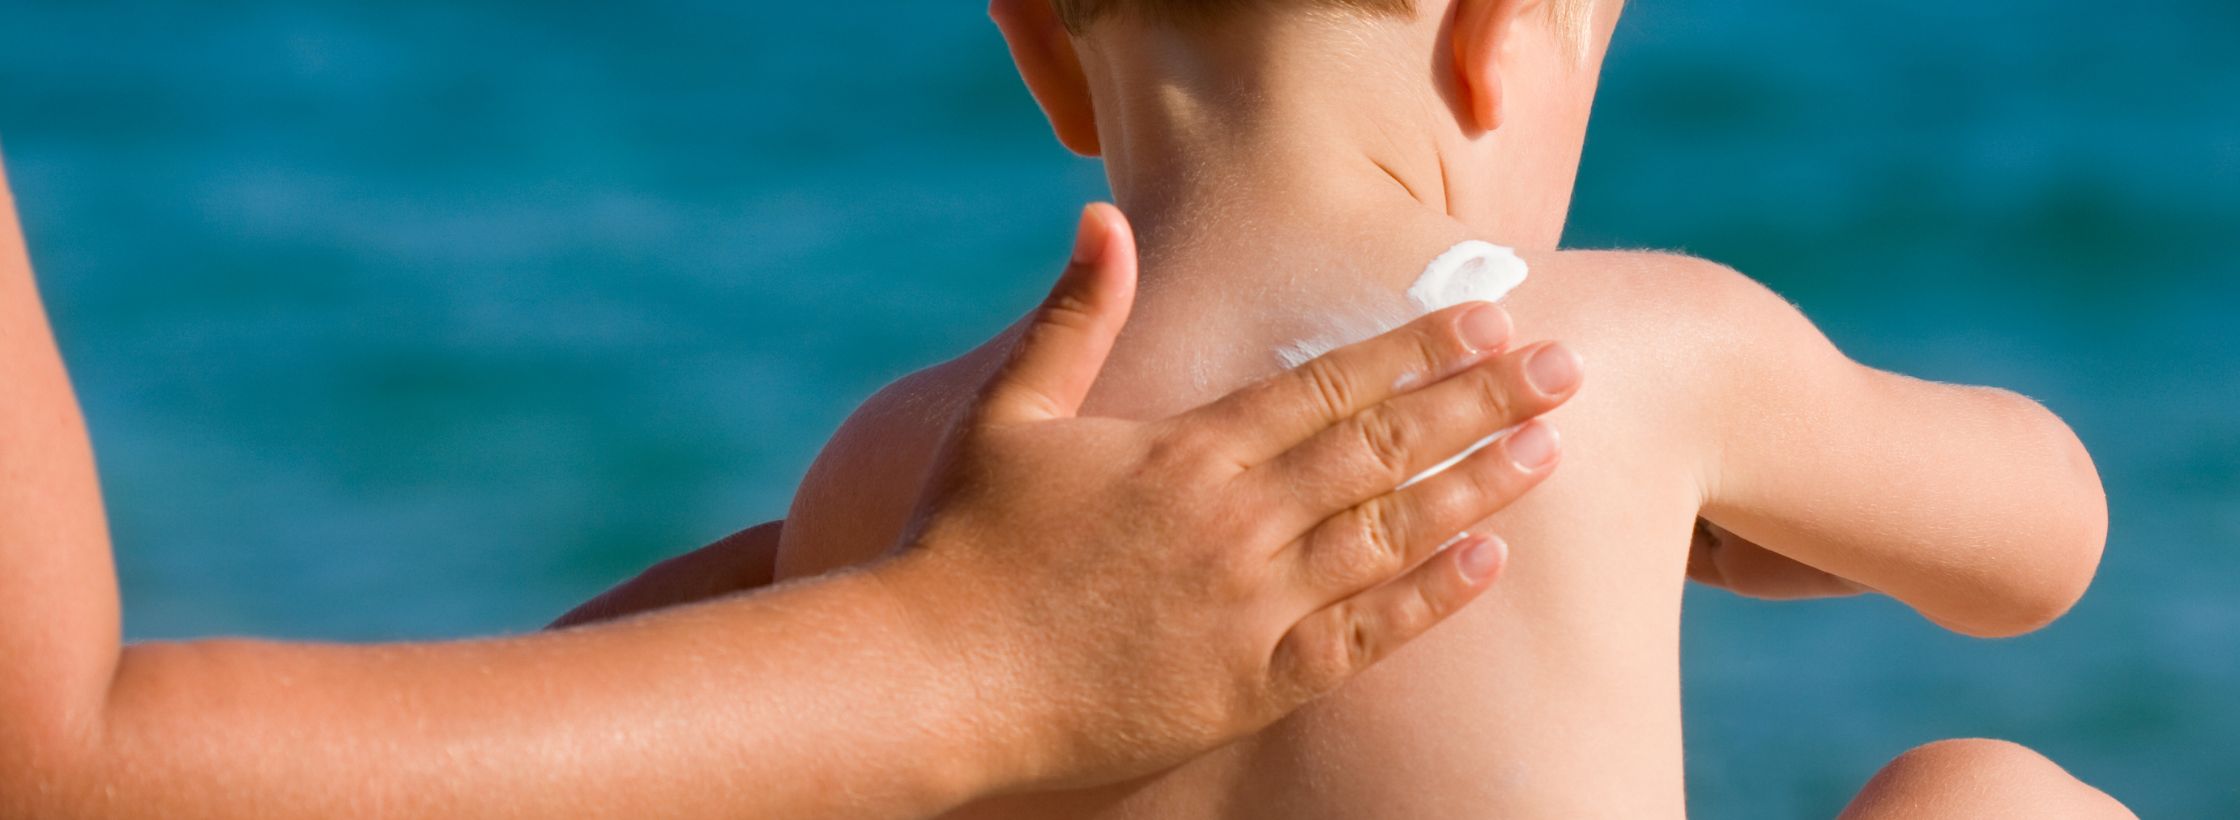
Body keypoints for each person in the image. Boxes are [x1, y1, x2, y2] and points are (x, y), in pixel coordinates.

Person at [659, 0, 2127, 817]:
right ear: (1495, 31)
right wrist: (1748, 520)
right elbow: (2047, 546)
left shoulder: (892, 464)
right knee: (1983, 794)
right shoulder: (1633, 352)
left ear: (1044, 53)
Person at [0, 149, 1575, 815]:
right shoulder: (1652, 345)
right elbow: (42, 773)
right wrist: (971, 656)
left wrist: (813, 630)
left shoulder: (885, 454)